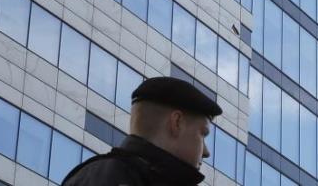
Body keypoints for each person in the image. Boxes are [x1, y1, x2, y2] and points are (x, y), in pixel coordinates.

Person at [62, 76, 222, 186]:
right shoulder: (112, 178)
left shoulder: (95, 177)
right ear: (177, 122)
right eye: (203, 133)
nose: (206, 152)